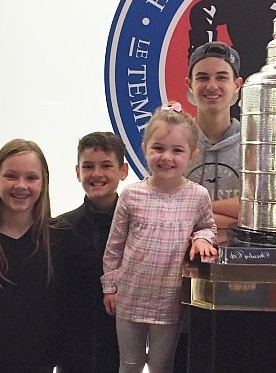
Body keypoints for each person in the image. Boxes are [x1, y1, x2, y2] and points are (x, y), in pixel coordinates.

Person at [0, 139, 94, 372]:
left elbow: (74, 317)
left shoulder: (62, 239)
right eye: (11, 176)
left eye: (31, 178)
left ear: (44, 183)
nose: (21, 185)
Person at [101, 103, 218, 373]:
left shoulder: (198, 196)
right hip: (130, 296)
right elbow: (115, 246)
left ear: (192, 155)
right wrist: (110, 287)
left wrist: (202, 239)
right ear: (144, 149)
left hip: (170, 298)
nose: (167, 157)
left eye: (177, 150)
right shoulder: (131, 195)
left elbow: (207, 226)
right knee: (129, 363)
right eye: (158, 148)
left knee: (161, 364)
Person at [56, 131, 129, 372]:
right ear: (78, 172)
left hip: (124, 350)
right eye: (88, 166)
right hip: (73, 352)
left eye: (106, 166)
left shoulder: (139, 228)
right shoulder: (59, 229)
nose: (96, 174)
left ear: (123, 171)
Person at [187, 0, 276, 119]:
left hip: (271, 65)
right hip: (239, 60)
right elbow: (202, 11)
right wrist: (203, 53)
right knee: (230, 106)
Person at [185, 40, 243, 229]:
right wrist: (231, 214)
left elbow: (258, 212)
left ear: (237, 85)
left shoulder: (255, 145)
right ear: (190, 85)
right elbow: (162, 207)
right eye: (202, 78)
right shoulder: (175, 142)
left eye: (221, 77)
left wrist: (190, 209)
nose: (212, 86)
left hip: (242, 256)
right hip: (182, 256)